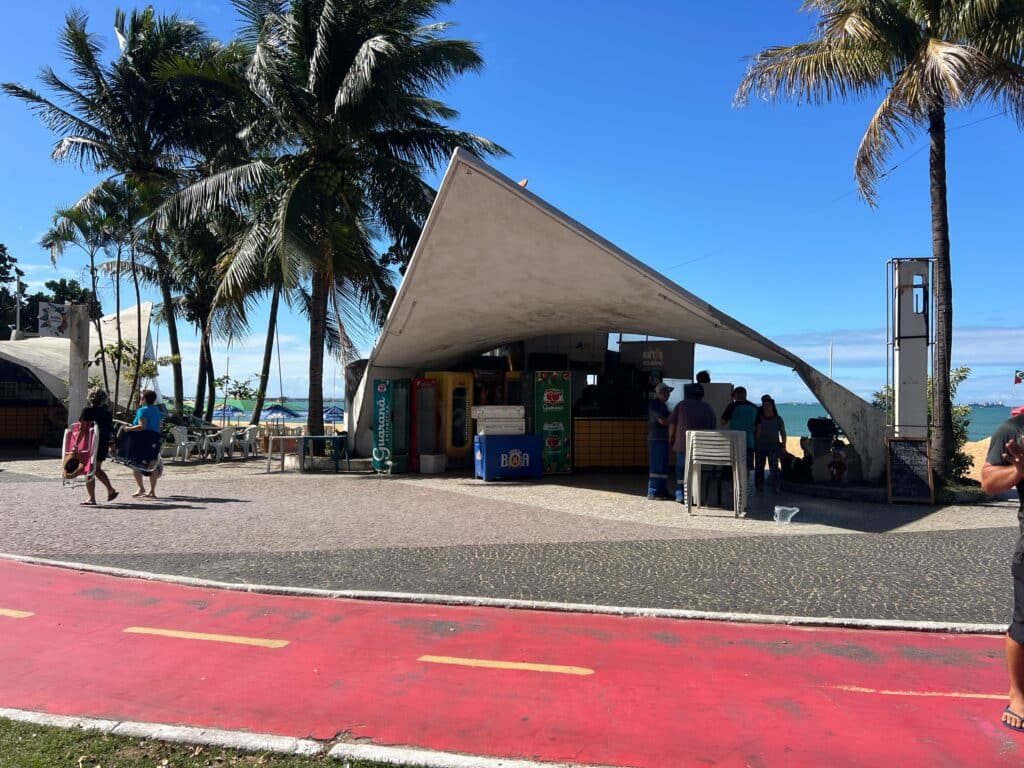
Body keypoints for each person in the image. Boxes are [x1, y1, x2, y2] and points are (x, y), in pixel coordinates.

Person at [981, 405, 1024, 733]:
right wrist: (1019, 471)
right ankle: (1018, 694)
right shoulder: (1011, 431)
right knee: (1023, 626)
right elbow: (990, 482)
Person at [668, 382, 717, 503]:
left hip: (682, 443)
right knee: (696, 470)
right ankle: (695, 495)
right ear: (702, 395)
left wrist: (671, 438)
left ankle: (681, 494)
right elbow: (712, 428)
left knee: (681, 468)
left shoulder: (681, 405)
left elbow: (672, 423)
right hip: (700, 445)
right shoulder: (708, 407)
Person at [77, 388, 118, 506]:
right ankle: (110, 489)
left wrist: (75, 444)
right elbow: (111, 431)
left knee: (90, 469)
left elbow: (82, 429)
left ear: (90, 398)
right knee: (97, 468)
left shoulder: (87, 411)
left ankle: (92, 498)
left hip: (90, 443)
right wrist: (112, 445)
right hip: (103, 443)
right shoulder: (107, 413)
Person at [122, 389, 164, 498]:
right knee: (152, 465)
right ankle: (152, 491)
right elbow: (160, 426)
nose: (140, 400)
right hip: (155, 439)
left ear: (144, 399)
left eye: (141, 398)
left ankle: (141, 488)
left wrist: (128, 429)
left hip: (143, 439)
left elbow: (142, 426)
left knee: (135, 464)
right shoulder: (157, 411)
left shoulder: (142, 410)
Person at [721, 386, 758, 471]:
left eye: (733, 396)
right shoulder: (754, 407)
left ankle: (734, 484)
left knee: (733, 467)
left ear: (736, 395)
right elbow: (758, 427)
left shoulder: (732, 406)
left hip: (735, 441)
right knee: (747, 468)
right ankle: (746, 483)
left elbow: (722, 422)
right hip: (750, 442)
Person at [647, 382, 673, 500]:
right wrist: (673, 421)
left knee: (663, 466)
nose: (669, 395)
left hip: (662, 438)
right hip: (656, 438)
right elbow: (662, 421)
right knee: (657, 466)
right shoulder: (655, 405)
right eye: (668, 392)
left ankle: (662, 491)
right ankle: (653, 492)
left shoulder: (663, 405)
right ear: (662, 394)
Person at [754, 396, 786, 492]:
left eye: (769, 405)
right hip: (761, 447)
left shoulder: (778, 418)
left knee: (774, 468)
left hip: (774, 447)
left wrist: (784, 445)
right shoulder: (759, 418)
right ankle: (759, 486)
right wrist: (755, 444)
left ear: (773, 406)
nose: (767, 407)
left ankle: (776, 486)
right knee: (759, 467)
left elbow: (783, 432)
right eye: (765, 405)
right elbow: (757, 432)